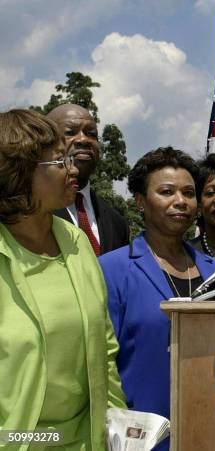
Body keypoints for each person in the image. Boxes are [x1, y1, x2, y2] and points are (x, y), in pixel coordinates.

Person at [0, 109, 126, 450]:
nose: (72, 169)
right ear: (19, 173)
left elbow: (105, 347)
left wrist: (117, 426)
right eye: (59, 162)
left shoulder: (77, 242)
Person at [99, 147, 215, 451]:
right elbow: (101, 361)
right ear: (141, 202)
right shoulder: (112, 269)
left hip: (212, 430)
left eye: (189, 193)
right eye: (166, 192)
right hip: (141, 438)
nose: (180, 201)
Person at [48, 104, 130, 255]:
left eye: (91, 134)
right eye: (70, 132)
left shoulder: (117, 222)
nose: (83, 140)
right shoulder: (28, 212)